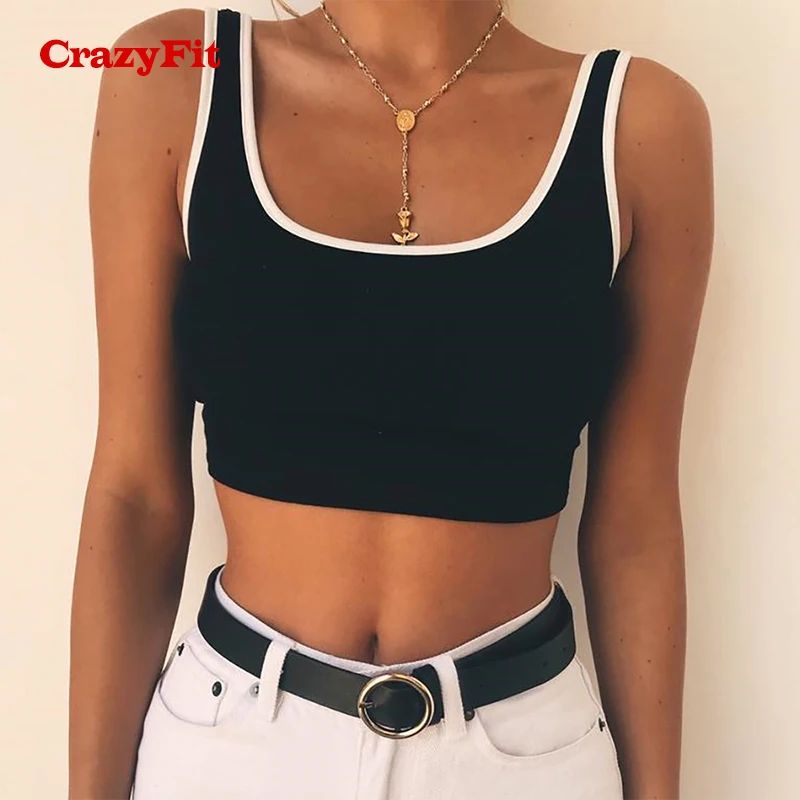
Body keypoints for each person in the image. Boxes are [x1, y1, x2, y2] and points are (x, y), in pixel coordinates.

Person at [68, 1, 714, 798]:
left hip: (520, 760)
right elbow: (134, 496)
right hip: (230, 751)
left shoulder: (640, 124)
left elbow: (635, 523)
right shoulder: (174, 74)